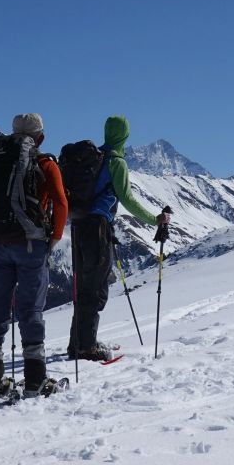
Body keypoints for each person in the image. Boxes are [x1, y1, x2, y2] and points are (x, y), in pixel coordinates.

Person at [0, 113, 68, 399]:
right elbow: (61, 203)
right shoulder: (45, 164)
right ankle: (35, 380)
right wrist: (54, 238)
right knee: (30, 311)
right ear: (40, 137)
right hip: (31, 245)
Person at [68, 115, 171, 361]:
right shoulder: (115, 162)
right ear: (124, 135)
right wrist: (155, 219)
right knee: (95, 289)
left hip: (78, 226)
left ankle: (78, 343)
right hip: (98, 228)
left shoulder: (92, 157)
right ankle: (86, 347)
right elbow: (128, 199)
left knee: (83, 286)